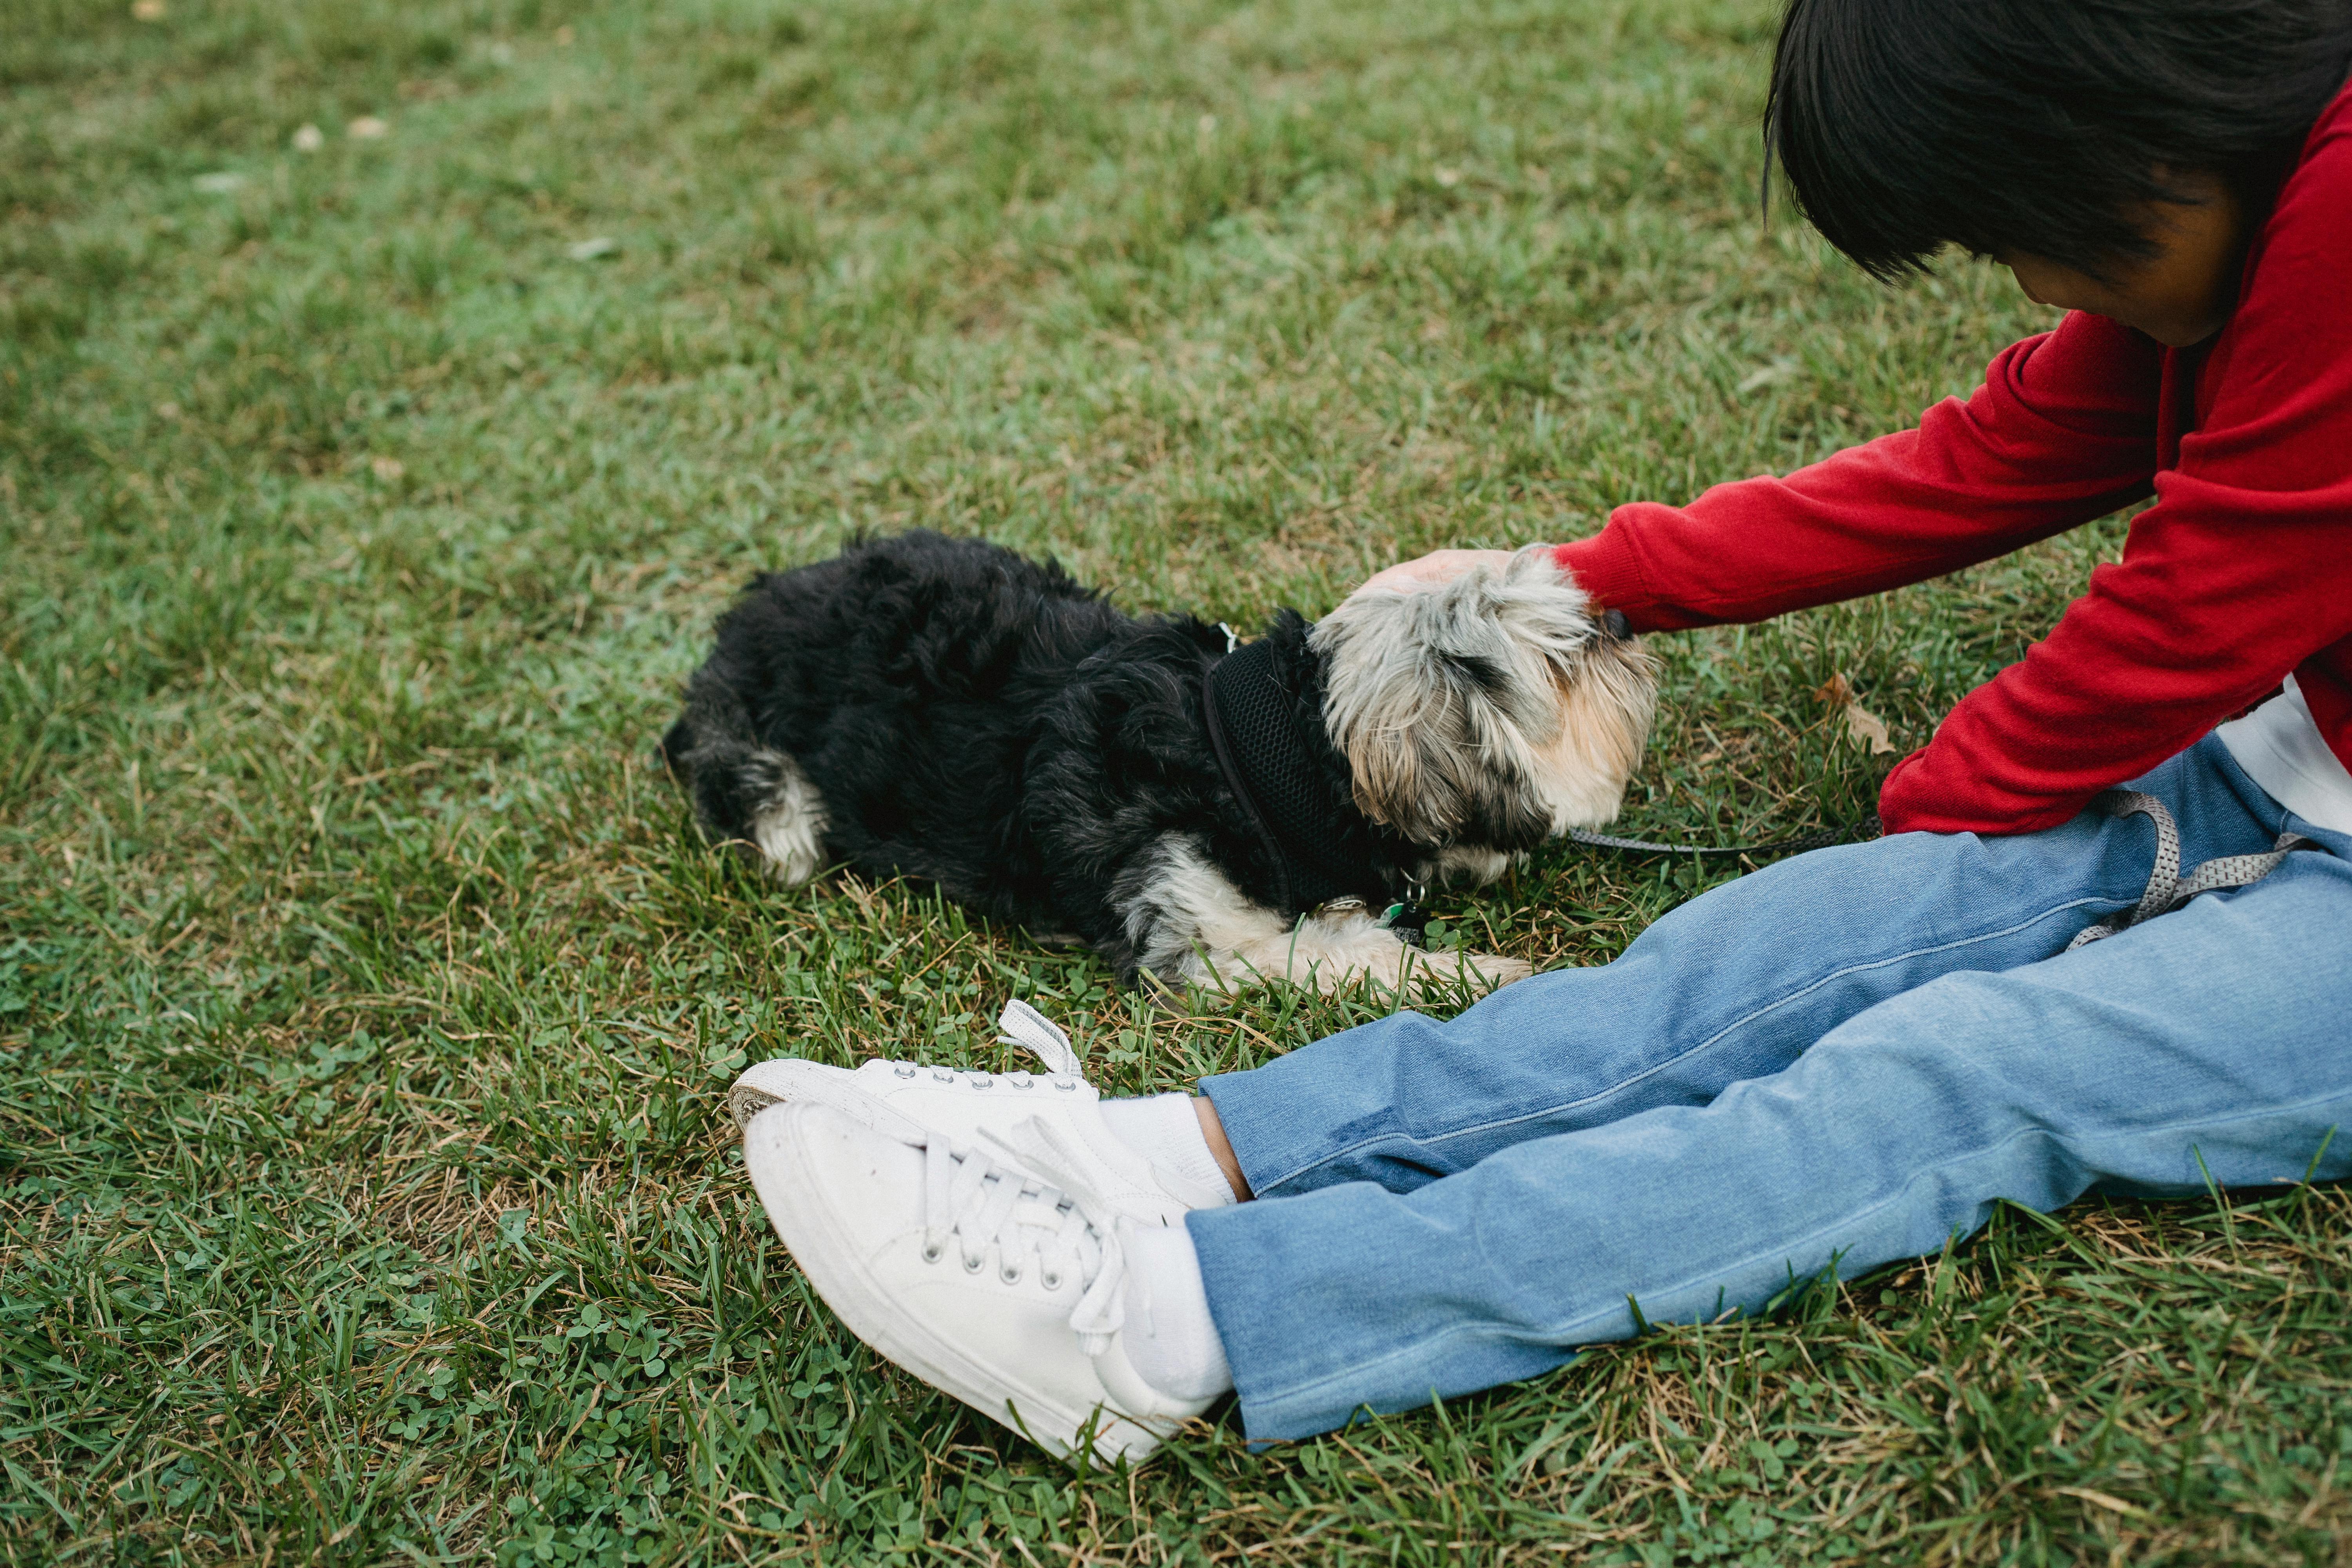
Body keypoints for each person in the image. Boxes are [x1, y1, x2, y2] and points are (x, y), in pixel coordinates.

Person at [730, 0, 2352, 1463]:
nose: (2038, 287)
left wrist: (1944, 798)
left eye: (2029, 237)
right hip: (2287, 753)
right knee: (1743, 969)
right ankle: (1164, 1152)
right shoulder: (2236, 229)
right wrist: (1594, 579)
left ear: (2147, 129)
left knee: (1956, 1068)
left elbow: (2201, 598)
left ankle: (1173, 1322)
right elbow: (1990, 458)